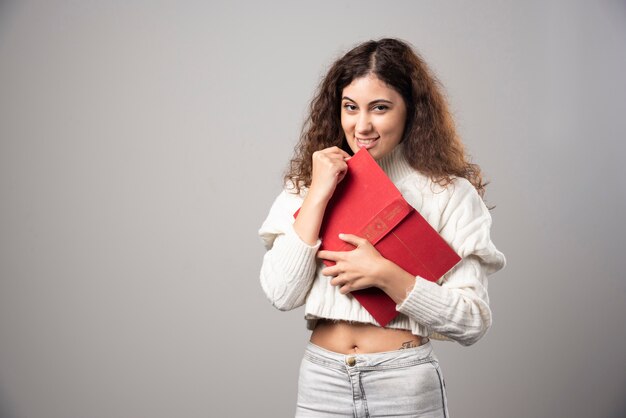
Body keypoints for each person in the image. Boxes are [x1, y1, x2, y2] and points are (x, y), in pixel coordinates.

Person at [258, 38, 506, 417]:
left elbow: (472, 321)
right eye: (350, 108)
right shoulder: (309, 184)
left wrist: (387, 275)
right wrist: (319, 194)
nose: (362, 125)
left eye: (380, 108)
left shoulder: (449, 194)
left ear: (411, 111)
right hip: (321, 381)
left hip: (403, 384)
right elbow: (281, 294)